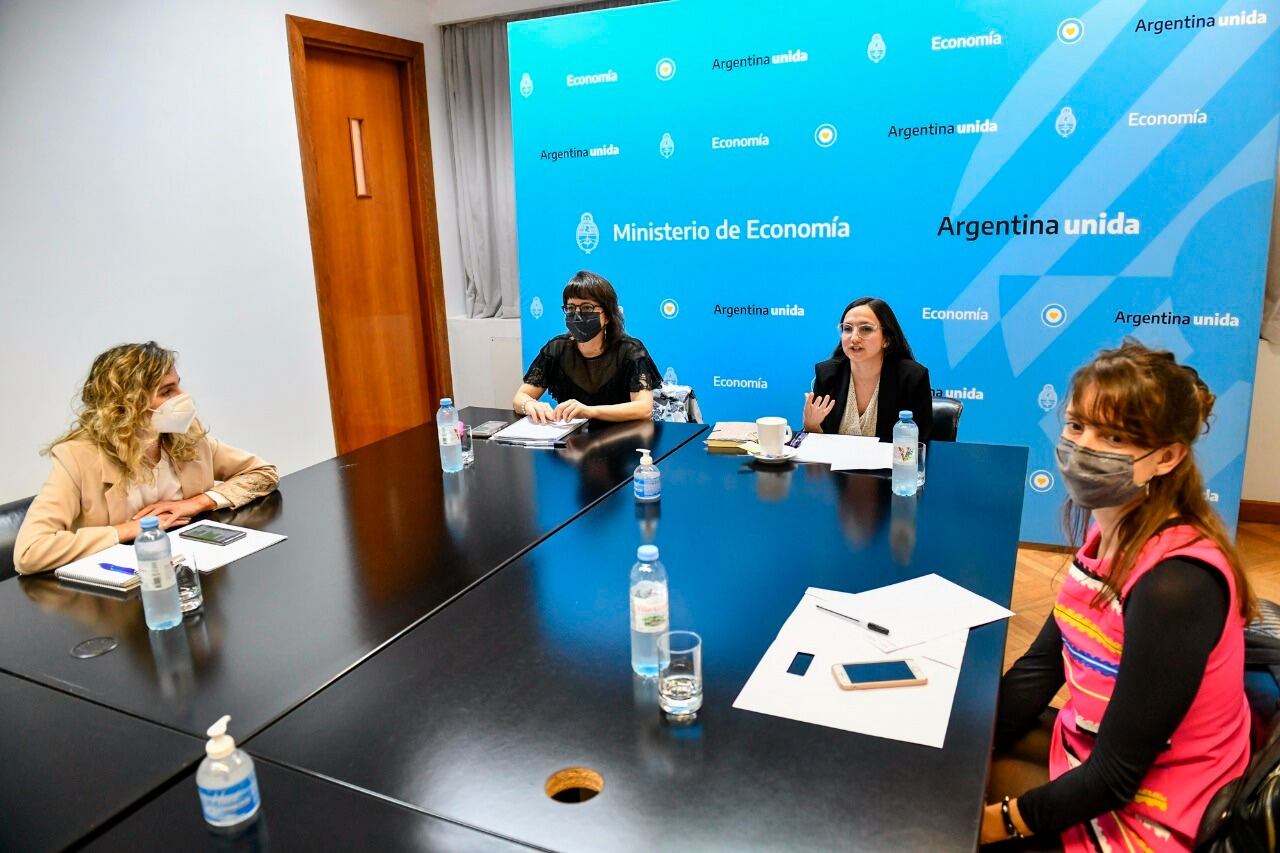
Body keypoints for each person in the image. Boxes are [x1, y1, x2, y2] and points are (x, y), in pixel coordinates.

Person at [984, 340, 1253, 851]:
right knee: (955, 760)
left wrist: (996, 823)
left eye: (1113, 437)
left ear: (1167, 456)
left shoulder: (1176, 584)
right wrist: (969, 739)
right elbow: (1043, 667)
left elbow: (1116, 777)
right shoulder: (1108, 532)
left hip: (1154, 806)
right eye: (1075, 425)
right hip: (1092, 746)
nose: (1084, 447)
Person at [14, 342, 279, 575]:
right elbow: (30, 552)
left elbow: (263, 473)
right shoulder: (77, 457)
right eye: (167, 391)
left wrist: (197, 503)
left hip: (191, 573)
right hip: (121, 593)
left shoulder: (186, 433)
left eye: (177, 385)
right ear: (125, 405)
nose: (182, 397)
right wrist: (130, 529)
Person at [513, 270, 662, 423]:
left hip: (623, 436)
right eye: (571, 308)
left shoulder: (631, 351)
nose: (577, 314)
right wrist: (529, 404)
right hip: (573, 440)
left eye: (586, 308)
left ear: (608, 316)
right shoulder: (556, 348)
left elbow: (643, 408)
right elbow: (520, 397)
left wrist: (590, 411)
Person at [801, 297, 932, 442]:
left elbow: (920, 443)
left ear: (886, 339)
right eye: (848, 329)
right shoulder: (828, 374)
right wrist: (811, 425)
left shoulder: (911, 377)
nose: (854, 338)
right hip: (836, 464)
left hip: (890, 464)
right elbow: (817, 446)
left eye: (866, 329)